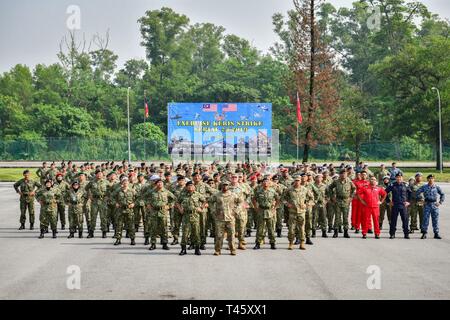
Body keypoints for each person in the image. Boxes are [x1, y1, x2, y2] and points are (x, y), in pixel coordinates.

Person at [283, 175, 314, 250]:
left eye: (298, 180)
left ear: (301, 181)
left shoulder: (305, 189)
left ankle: (302, 243)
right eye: (296, 180)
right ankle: (291, 243)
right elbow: (283, 198)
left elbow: (312, 198)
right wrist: (287, 204)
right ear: (294, 181)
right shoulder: (289, 189)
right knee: (291, 229)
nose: (297, 182)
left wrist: (306, 204)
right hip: (292, 212)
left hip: (301, 212)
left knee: (302, 229)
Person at [210, 181, 241, 255]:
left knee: (231, 235)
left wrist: (236, 211)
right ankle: (217, 250)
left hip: (230, 218)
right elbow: (210, 201)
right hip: (220, 219)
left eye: (226, 185)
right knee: (219, 235)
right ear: (221, 186)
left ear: (228, 186)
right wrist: (213, 210)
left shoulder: (233, 195)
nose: (225, 187)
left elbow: (240, 202)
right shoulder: (217, 195)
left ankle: (232, 249)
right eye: (223, 185)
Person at [177, 181, 206, 256]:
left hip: (195, 215)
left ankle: (197, 249)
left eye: (192, 186)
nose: (190, 187)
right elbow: (177, 202)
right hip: (186, 216)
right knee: (185, 233)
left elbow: (205, 201)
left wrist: (201, 208)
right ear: (186, 187)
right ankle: (183, 249)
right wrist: (180, 209)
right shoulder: (183, 195)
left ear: (194, 187)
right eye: (189, 186)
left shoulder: (197, 194)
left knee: (196, 233)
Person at [147, 179, 176, 250]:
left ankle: (164, 243)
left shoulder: (166, 192)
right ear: (156, 184)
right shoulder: (152, 192)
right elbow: (145, 198)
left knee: (164, 228)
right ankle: (153, 244)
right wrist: (148, 205)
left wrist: (169, 206)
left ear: (163, 184)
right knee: (153, 228)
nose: (160, 184)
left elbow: (174, 199)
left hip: (163, 212)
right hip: (154, 212)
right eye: (158, 183)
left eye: (161, 183)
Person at [327, 169, 356, 238]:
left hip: (346, 201)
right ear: (340, 175)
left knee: (345, 217)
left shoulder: (349, 182)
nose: (343, 175)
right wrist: (332, 197)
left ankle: (346, 232)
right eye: (342, 174)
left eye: (345, 174)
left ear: (346, 174)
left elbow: (354, 189)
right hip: (338, 201)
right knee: (337, 217)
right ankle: (336, 232)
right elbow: (329, 188)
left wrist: (351, 197)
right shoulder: (336, 182)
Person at [252, 177, 279, 250]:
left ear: (269, 183)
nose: (265, 183)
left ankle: (272, 243)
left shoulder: (272, 191)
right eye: (264, 182)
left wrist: (275, 208)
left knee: (271, 229)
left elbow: (278, 199)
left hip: (270, 211)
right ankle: (258, 243)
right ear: (262, 183)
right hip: (261, 211)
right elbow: (253, 199)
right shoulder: (259, 191)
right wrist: (256, 207)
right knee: (260, 229)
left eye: (267, 182)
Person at [417, 174, 445, 239]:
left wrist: (440, 202)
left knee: (435, 219)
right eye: (429, 178)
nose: (431, 180)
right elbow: (417, 192)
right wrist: (421, 199)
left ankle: (436, 233)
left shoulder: (436, 187)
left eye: (432, 178)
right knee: (425, 220)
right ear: (427, 179)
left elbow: (442, 194)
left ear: (434, 179)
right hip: (426, 205)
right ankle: (424, 233)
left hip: (434, 205)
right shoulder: (424, 187)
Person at [385, 172, 411, 239]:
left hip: (403, 205)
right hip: (395, 205)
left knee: (405, 220)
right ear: (396, 178)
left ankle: (406, 234)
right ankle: (392, 234)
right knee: (393, 220)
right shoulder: (392, 185)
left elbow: (410, 194)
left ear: (402, 178)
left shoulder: (406, 185)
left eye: (400, 177)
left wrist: (408, 202)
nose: (399, 178)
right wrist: (388, 201)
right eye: (397, 177)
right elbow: (385, 193)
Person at [114, 176, 136, 246]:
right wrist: (115, 203)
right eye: (124, 181)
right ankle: (118, 239)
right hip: (120, 210)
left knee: (131, 225)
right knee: (119, 225)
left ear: (128, 182)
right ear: (122, 183)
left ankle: (132, 239)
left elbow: (139, 197)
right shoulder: (118, 190)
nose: (125, 183)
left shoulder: (132, 191)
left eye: (126, 181)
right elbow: (111, 197)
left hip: (129, 210)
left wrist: (134, 203)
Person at [86, 170, 108, 238]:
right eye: (98, 174)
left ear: (102, 175)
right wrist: (89, 195)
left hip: (103, 201)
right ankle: (91, 232)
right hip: (94, 201)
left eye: (100, 174)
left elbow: (111, 189)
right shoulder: (92, 182)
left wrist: (107, 197)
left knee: (103, 217)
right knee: (93, 217)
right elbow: (86, 188)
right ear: (95, 175)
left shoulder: (106, 182)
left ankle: (104, 232)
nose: (99, 175)